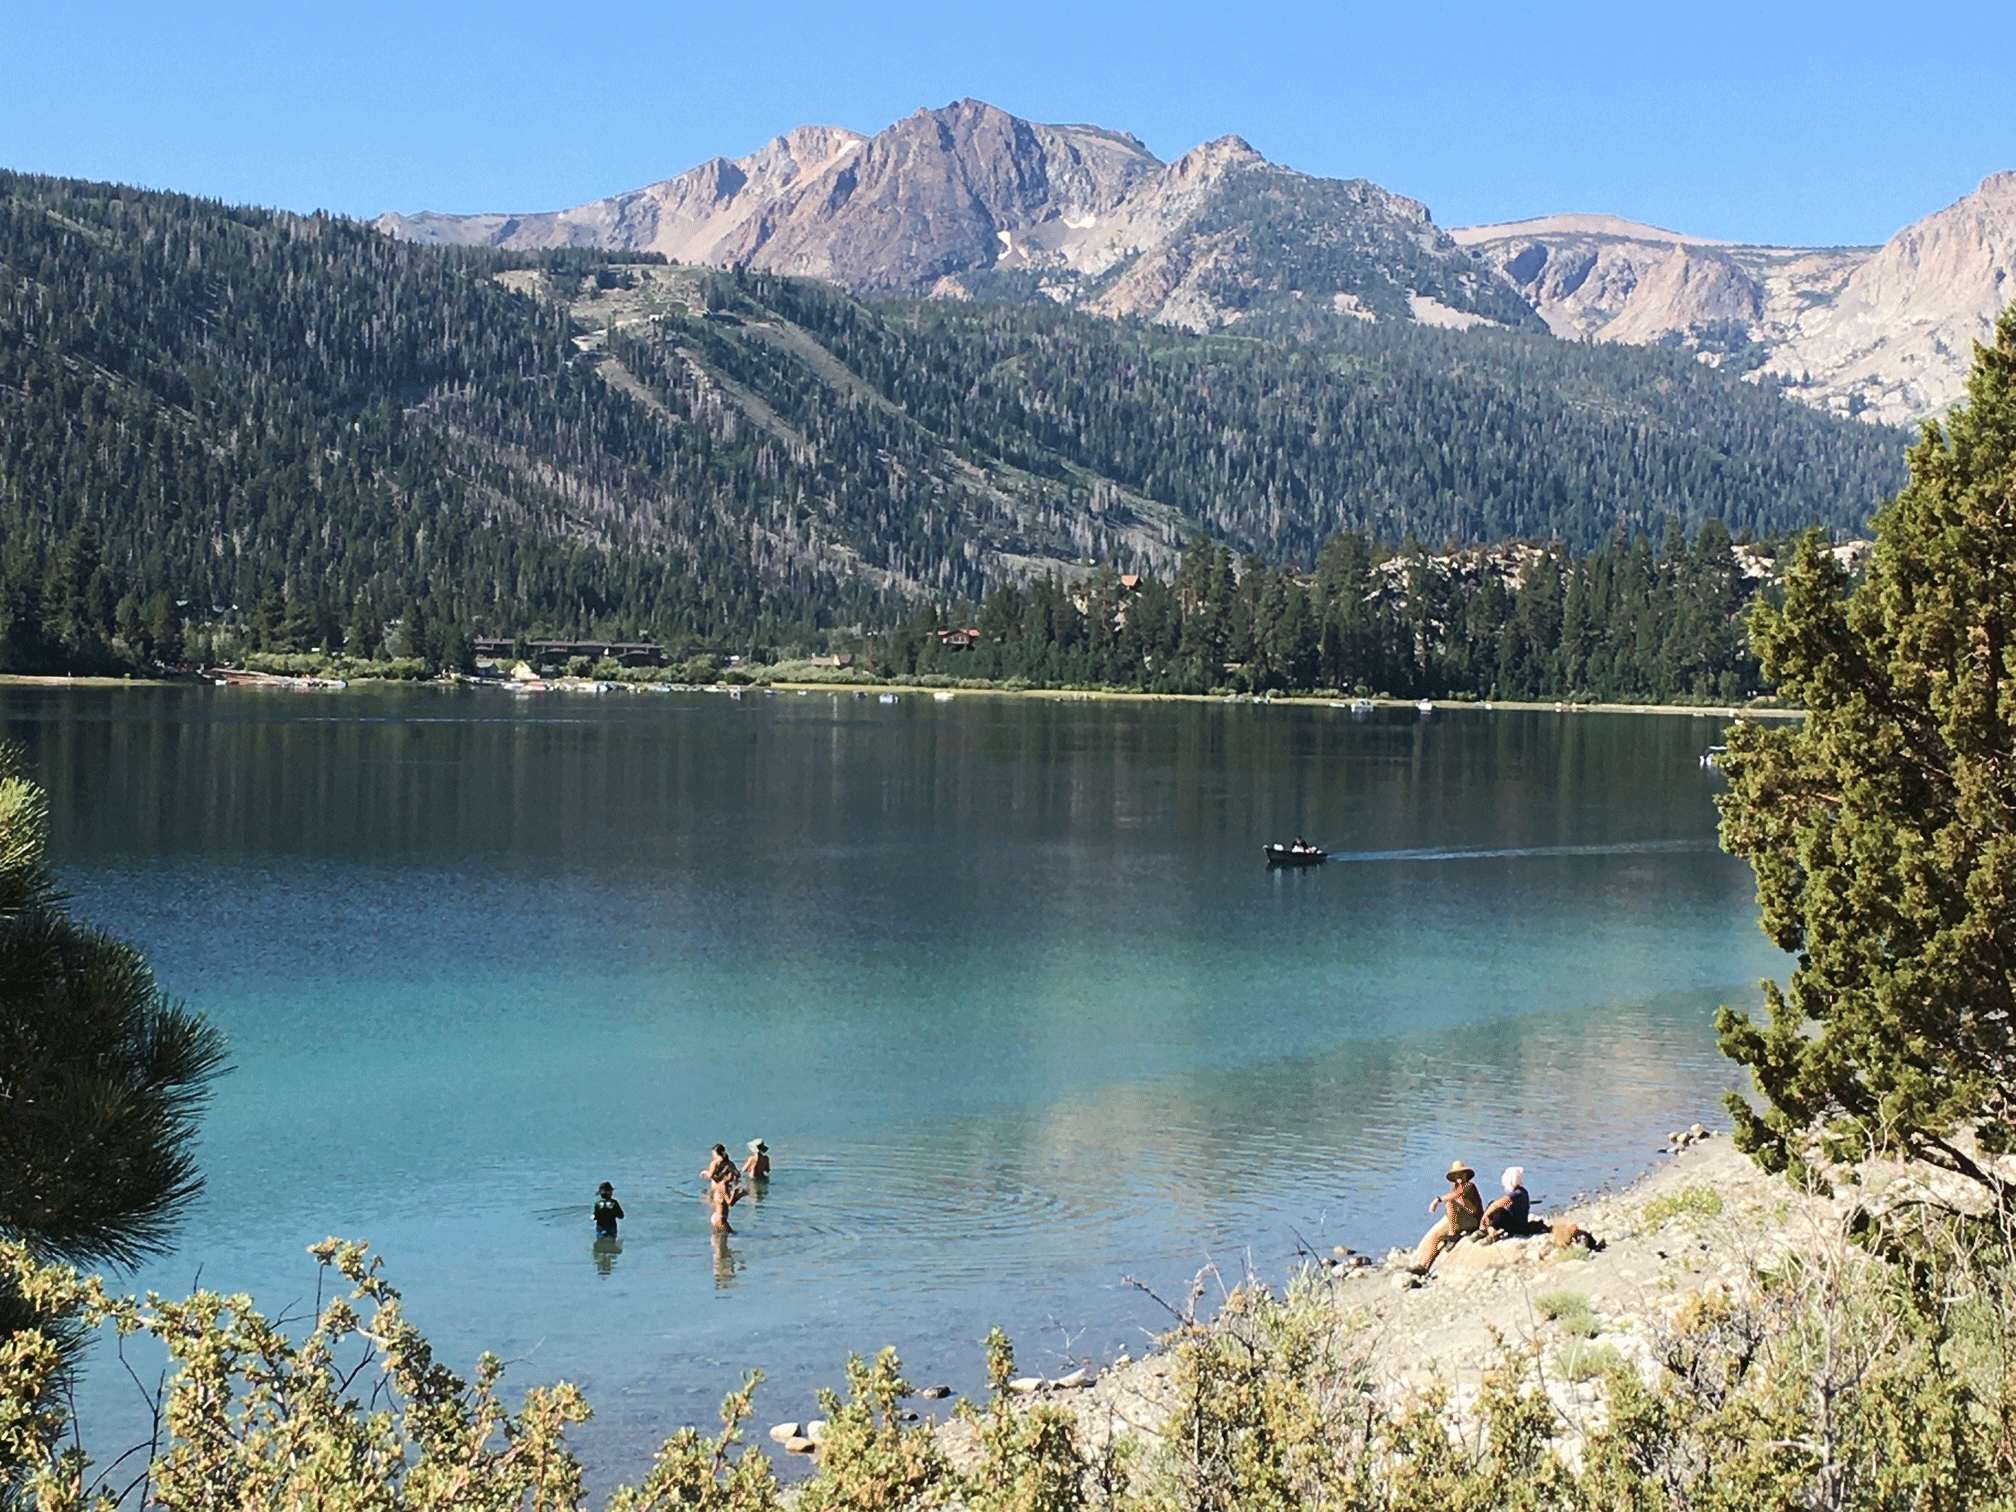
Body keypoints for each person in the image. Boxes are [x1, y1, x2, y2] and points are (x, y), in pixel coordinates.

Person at [1411, 1159, 1483, 1272]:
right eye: (1456, 1175)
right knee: (1438, 1239)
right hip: (1464, 1219)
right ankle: (1425, 1266)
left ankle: (1453, 1233)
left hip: (1473, 1219)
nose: (1459, 1177)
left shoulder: (1469, 1186)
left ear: (1465, 1175)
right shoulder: (1456, 1187)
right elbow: (1456, 1196)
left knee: (1450, 1203)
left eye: (1461, 1174)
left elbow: (1455, 1196)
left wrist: (1437, 1200)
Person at [1481, 1166, 1536, 1239]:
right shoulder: (1522, 1191)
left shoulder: (1517, 1193)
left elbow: (1498, 1204)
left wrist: (1484, 1218)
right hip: (1518, 1223)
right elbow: (1501, 1203)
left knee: (1498, 1211)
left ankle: (1491, 1232)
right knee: (1493, 1205)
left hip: (1518, 1227)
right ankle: (1489, 1228)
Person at [708, 1168, 745, 1234]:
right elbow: (730, 1203)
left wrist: (739, 1195)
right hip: (720, 1218)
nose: (733, 1178)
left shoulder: (720, 1185)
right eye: (731, 1175)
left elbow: (726, 1202)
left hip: (717, 1217)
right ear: (725, 1176)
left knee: (720, 1239)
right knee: (732, 1235)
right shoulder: (724, 1185)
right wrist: (735, 1193)